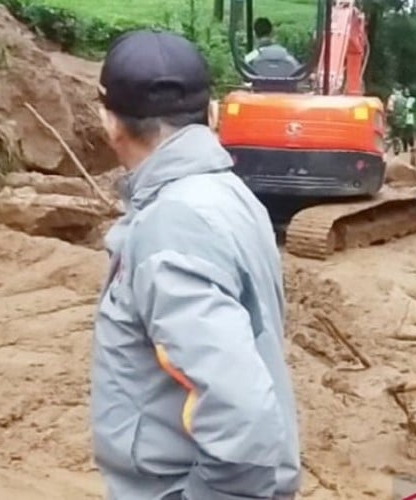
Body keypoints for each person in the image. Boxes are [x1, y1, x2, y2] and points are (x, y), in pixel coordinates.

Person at [93, 30, 301, 500]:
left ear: (109, 122)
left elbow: (240, 412)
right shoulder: (229, 194)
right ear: (210, 115)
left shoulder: (171, 225)